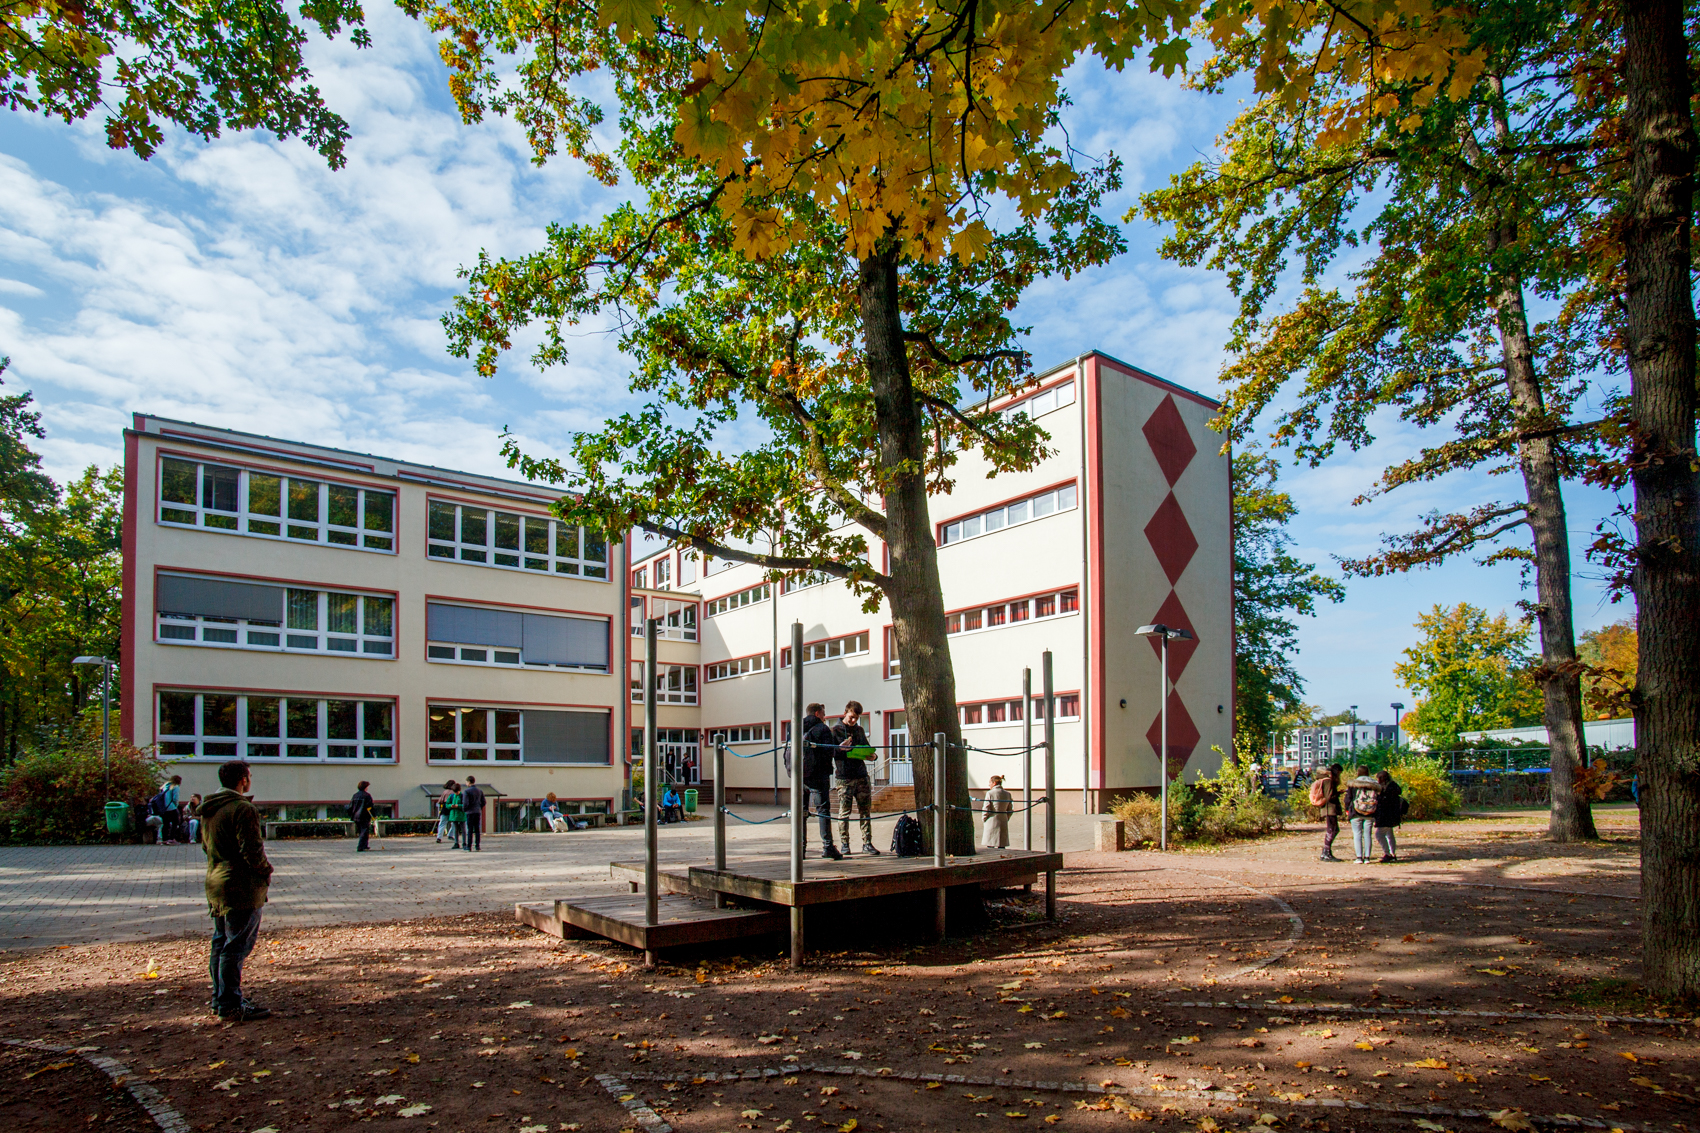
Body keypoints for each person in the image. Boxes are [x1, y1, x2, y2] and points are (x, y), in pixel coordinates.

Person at [200, 760, 273, 1021]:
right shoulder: (242, 808)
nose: (250, 780)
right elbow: (251, 848)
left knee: (220, 942)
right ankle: (230, 1002)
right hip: (240, 885)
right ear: (243, 779)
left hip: (216, 881)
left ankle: (221, 998)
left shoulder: (209, 809)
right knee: (236, 945)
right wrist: (265, 870)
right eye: (249, 776)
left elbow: (205, 846)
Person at [833, 701, 879, 855]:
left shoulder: (859, 730)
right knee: (844, 812)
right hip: (844, 777)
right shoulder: (835, 730)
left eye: (856, 718)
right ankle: (845, 844)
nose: (853, 721)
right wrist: (840, 749)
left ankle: (867, 843)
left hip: (861, 775)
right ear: (845, 712)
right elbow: (831, 753)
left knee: (865, 811)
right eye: (851, 717)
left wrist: (872, 756)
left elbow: (866, 747)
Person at [801, 703, 842, 860]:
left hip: (800, 776)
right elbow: (829, 751)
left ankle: (801, 848)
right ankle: (827, 847)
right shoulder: (823, 729)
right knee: (823, 811)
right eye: (824, 714)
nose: (825, 717)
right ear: (818, 713)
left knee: (801, 812)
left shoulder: (795, 727)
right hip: (818, 776)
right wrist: (839, 748)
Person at [1344, 765, 1379, 864]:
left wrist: (1347, 809)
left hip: (1355, 812)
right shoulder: (1374, 784)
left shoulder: (1353, 784)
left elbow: (1348, 798)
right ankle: (1367, 857)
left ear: (1358, 772)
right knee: (1368, 835)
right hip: (1370, 812)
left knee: (1357, 834)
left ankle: (1359, 857)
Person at [1311, 762, 1343, 862]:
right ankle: (1326, 852)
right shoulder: (1328, 781)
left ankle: (1326, 852)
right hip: (1330, 809)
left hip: (1328, 809)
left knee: (1333, 829)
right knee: (1332, 830)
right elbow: (1329, 797)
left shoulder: (1325, 780)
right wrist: (1338, 794)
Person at [1373, 769, 1404, 862]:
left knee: (1379, 834)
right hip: (1393, 814)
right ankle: (1392, 853)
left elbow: (1382, 802)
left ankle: (1387, 854)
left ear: (1382, 778)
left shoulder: (1385, 789)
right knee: (1389, 834)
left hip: (1385, 815)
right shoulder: (1394, 787)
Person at [982, 775, 1013, 849]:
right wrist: (1006, 818)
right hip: (1003, 820)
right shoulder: (1007, 794)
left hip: (991, 820)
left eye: (990, 782)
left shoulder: (990, 793)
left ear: (994, 783)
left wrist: (984, 818)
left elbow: (986, 808)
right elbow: (1010, 809)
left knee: (990, 843)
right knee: (1002, 844)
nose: (989, 784)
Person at [350, 780, 375, 852]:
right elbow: (370, 806)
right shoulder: (367, 796)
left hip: (356, 816)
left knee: (362, 831)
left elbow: (351, 806)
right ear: (365, 787)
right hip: (364, 816)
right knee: (364, 831)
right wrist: (374, 815)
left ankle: (365, 845)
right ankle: (360, 846)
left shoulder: (355, 795)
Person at [461, 775, 485, 851]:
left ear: (468, 782)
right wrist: (479, 807)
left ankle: (469, 846)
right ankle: (477, 846)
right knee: (477, 829)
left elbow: (465, 803)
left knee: (470, 829)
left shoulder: (466, 791)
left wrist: (464, 809)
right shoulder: (479, 791)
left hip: (469, 812)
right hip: (477, 811)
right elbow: (483, 802)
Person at [442, 782, 465, 849]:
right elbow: (447, 804)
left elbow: (465, 805)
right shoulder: (451, 796)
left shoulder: (463, 796)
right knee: (455, 829)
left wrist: (458, 806)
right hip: (454, 815)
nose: (456, 793)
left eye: (457, 792)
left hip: (461, 815)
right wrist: (451, 806)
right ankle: (456, 843)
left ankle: (464, 842)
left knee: (463, 830)